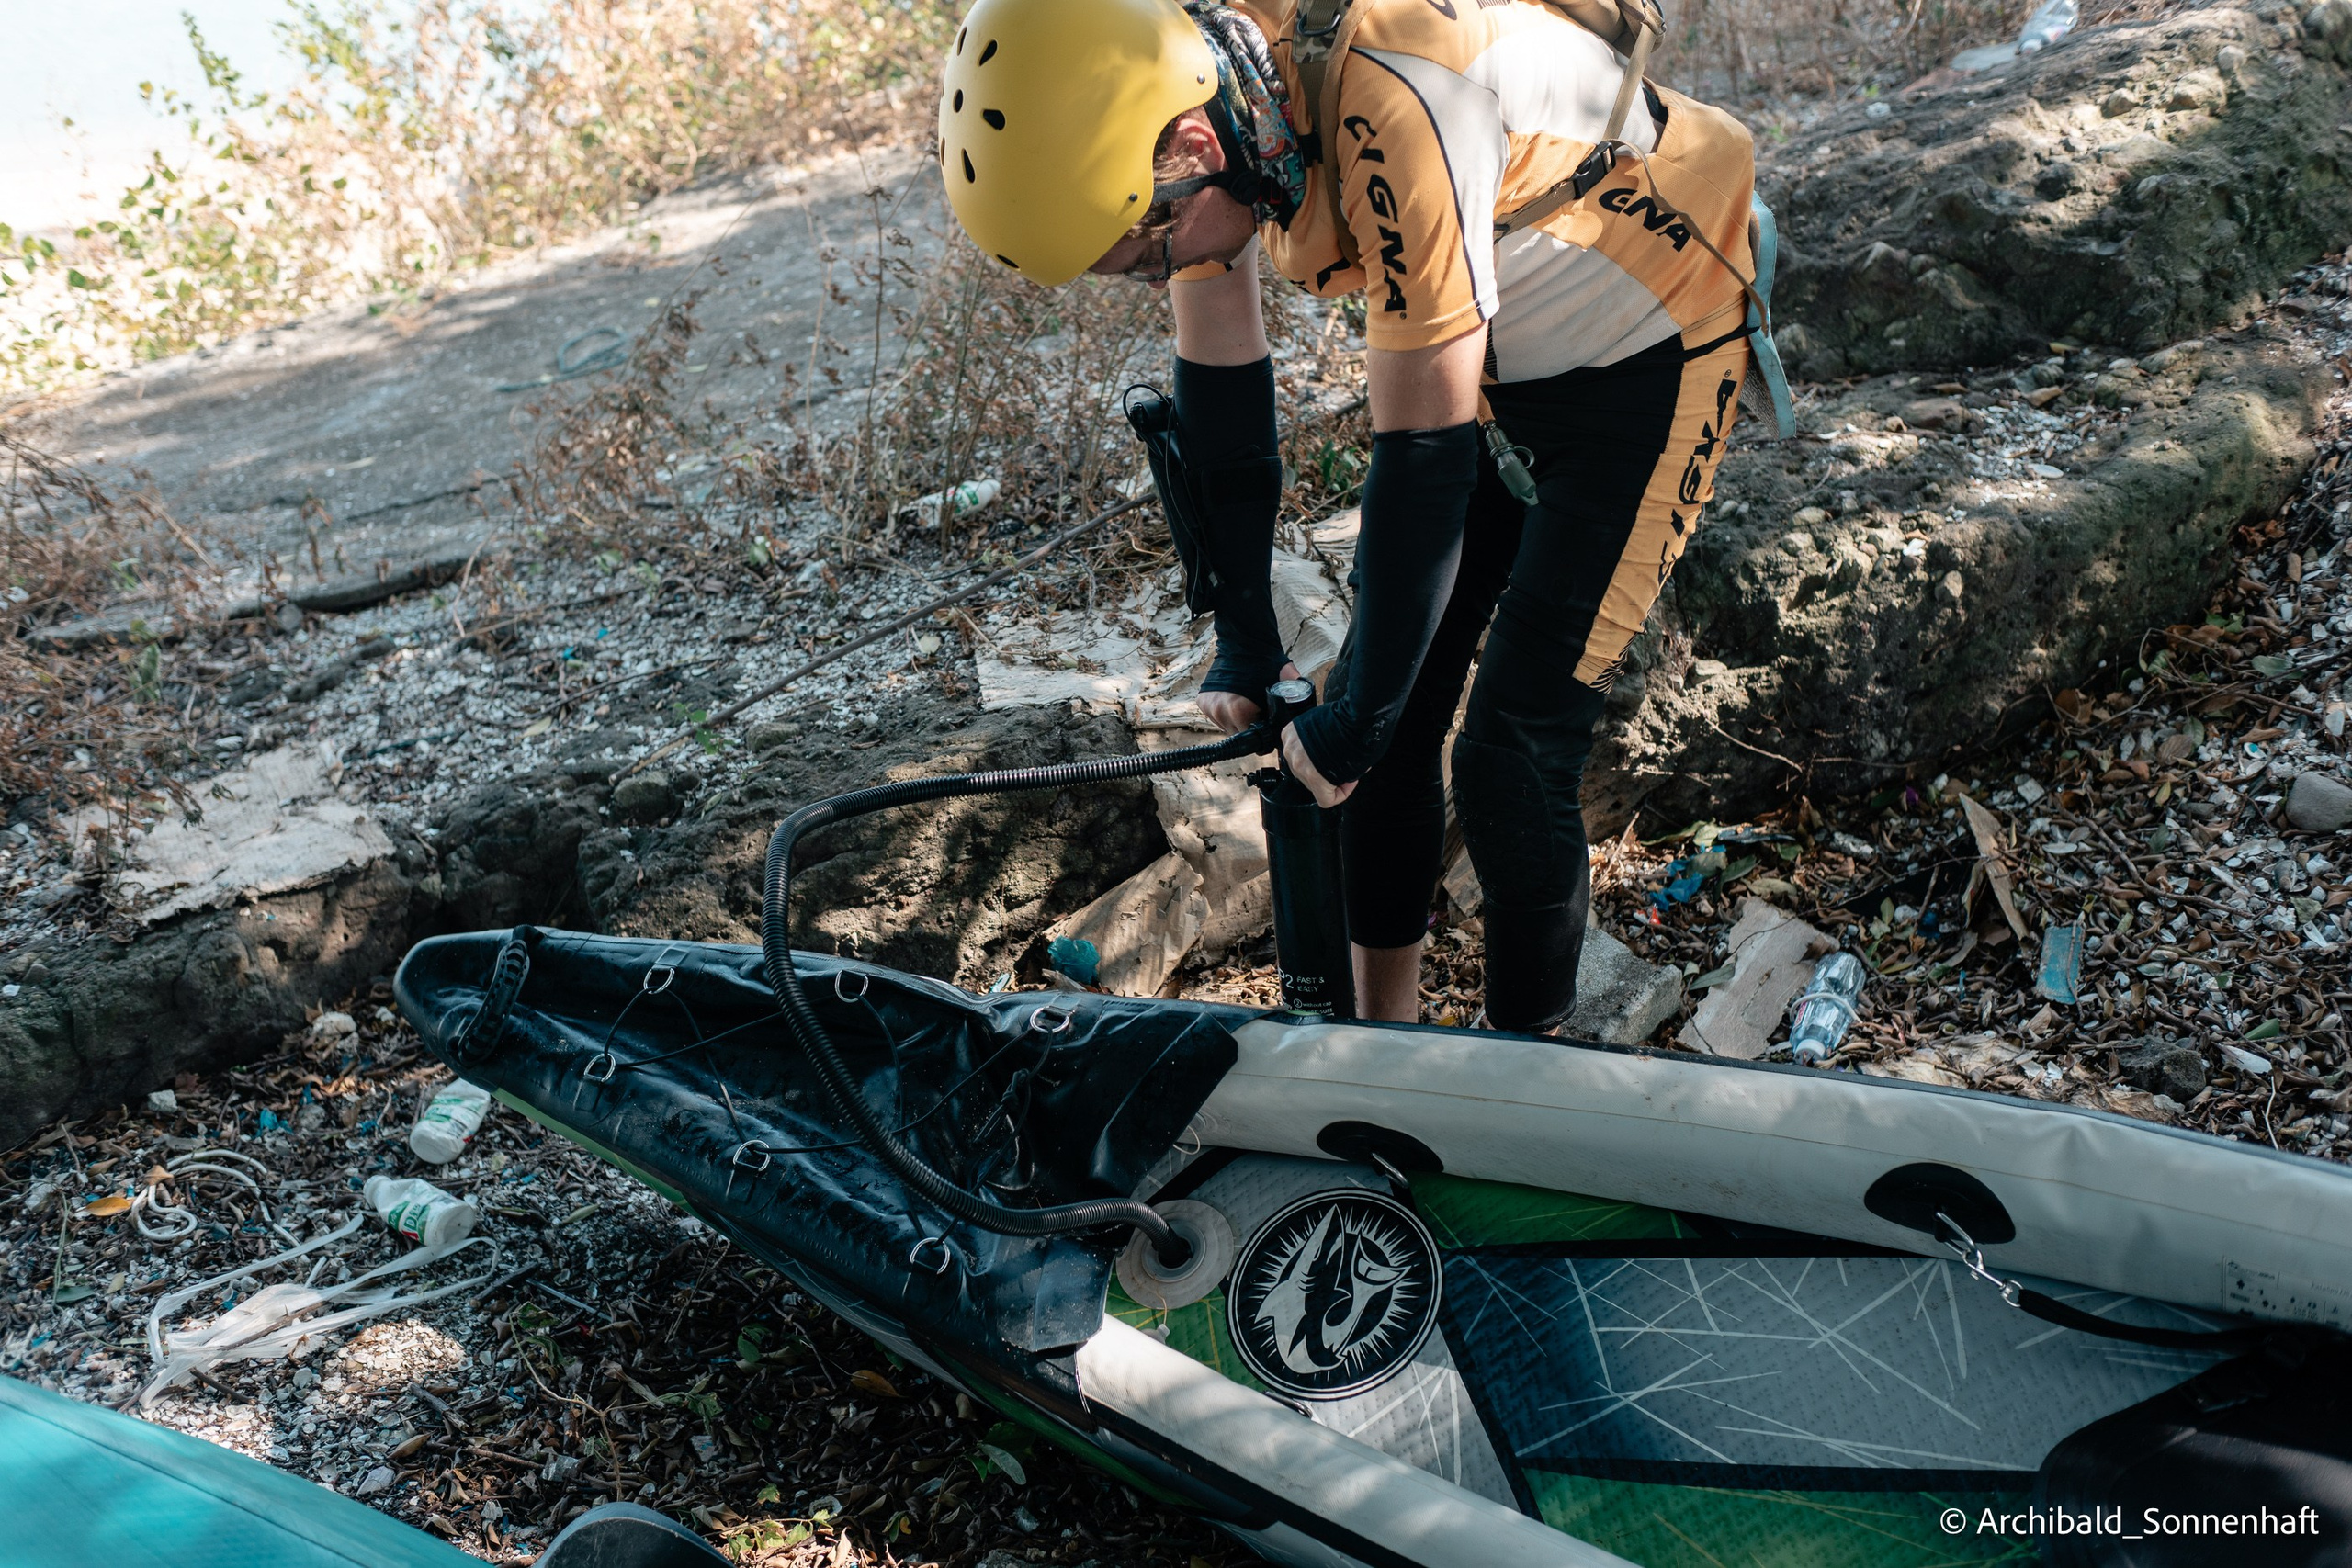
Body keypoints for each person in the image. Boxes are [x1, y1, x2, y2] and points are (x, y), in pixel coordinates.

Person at [937, 0, 1758, 1030]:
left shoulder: (1405, 98)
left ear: (1193, 146)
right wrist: (1243, 635)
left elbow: (1424, 457)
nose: (1163, 271)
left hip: (1655, 347)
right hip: (1507, 353)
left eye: (1145, 252)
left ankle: (1530, 1088)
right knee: (1390, 722)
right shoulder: (1208, 90)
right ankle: (1387, 1043)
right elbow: (1226, 408)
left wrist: (1359, 717)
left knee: (1509, 751)